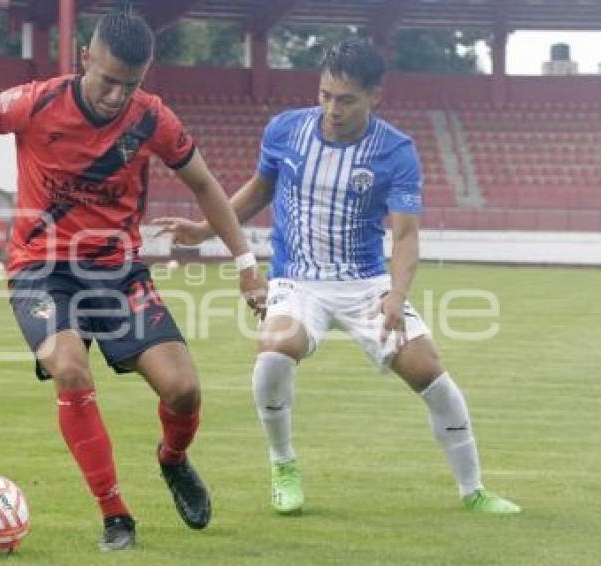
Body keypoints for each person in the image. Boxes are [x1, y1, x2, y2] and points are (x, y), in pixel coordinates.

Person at [0, 2, 266, 551]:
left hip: (117, 271)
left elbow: (205, 185)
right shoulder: (34, 102)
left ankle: (172, 458)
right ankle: (115, 514)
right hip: (41, 270)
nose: (115, 95)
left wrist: (246, 266)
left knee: (183, 390)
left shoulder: (152, 118)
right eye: (107, 80)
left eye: (128, 85)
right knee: (69, 368)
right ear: (85, 57)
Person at [153, 39, 520, 516]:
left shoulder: (396, 151)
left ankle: (473, 490)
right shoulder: (286, 130)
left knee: (431, 373)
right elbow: (260, 189)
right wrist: (205, 229)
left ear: (375, 97)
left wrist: (397, 295)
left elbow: (406, 236)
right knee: (273, 351)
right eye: (325, 94)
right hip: (297, 281)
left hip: (366, 284)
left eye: (346, 99)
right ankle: (283, 465)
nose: (332, 108)